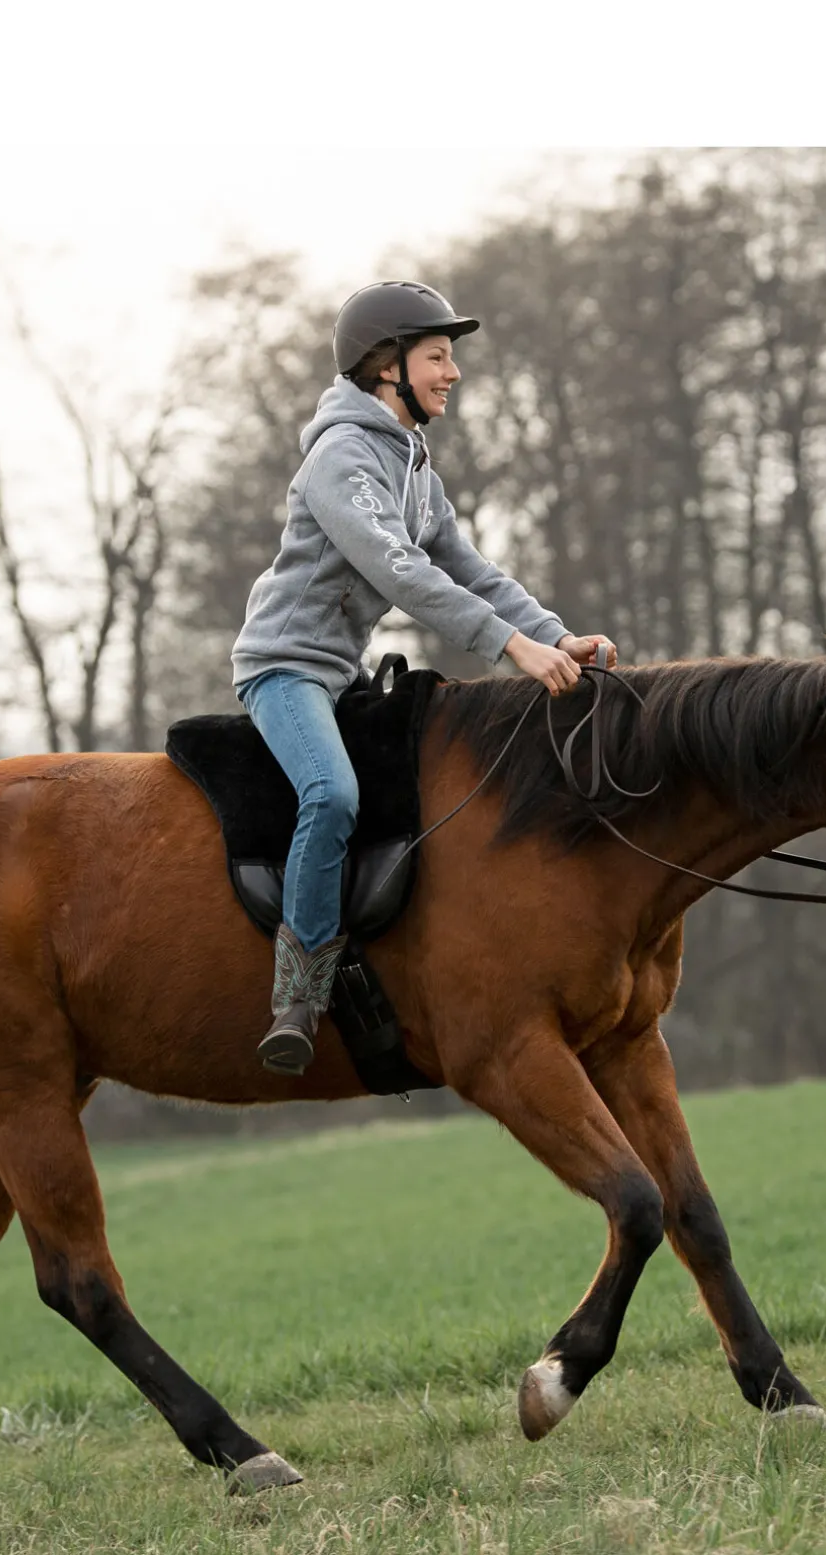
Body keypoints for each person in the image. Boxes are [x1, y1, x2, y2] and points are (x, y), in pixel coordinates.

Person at [231, 280, 615, 1076]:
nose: (453, 373)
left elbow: (470, 569)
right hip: (285, 672)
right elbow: (402, 573)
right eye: (438, 357)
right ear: (385, 366)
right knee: (331, 796)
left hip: (345, 676)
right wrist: (512, 649)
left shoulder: (411, 466)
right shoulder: (340, 459)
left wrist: (555, 637)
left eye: (450, 358)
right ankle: (298, 994)